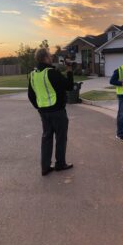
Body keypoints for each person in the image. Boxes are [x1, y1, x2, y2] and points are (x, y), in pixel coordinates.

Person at [28, 48, 74, 176]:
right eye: (50, 55)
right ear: (46, 58)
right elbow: (69, 86)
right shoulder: (52, 72)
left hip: (43, 112)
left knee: (46, 138)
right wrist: (69, 69)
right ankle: (60, 164)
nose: (51, 57)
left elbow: (31, 95)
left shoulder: (33, 74)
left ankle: (45, 167)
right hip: (58, 111)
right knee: (60, 138)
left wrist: (39, 108)